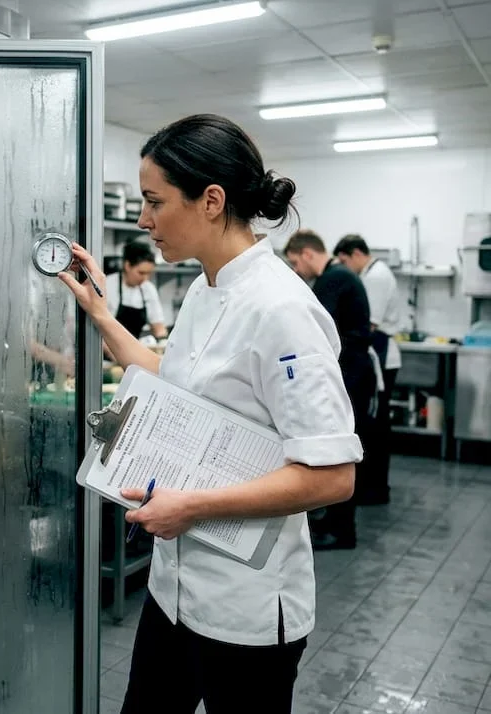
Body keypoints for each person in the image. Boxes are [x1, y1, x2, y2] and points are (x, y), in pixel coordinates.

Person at [58, 114, 361, 714]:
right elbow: (169, 380)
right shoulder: (203, 288)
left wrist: (190, 506)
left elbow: (332, 475)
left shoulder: (281, 309)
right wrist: (100, 313)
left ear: (211, 201)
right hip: (173, 592)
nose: (143, 220)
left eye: (154, 201)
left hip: (247, 609)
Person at [283, 230, 377, 550]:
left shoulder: (332, 280)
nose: (296, 271)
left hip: (351, 371)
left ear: (308, 254)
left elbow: (311, 328)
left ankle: (341, 531)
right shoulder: (341, 275)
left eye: (295, 263)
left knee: (337, 452)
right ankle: (336, 524)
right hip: (354, 368)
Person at [333, 234, 401, 505]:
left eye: (345, 260)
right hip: (378, 353)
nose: (345, 266)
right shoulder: (373, 273)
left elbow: (368, 324)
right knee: (374, 425)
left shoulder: (376, 277)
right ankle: (373, 487)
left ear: (357, 254)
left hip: (381, 355)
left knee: (374, 426)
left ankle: (374, 489)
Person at [105, 241, 168, 340]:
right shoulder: (107, 285)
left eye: (148, 274)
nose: (145, 278)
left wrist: (163, 343)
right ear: (127, 266)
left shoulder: (148, 289)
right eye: (141, 273)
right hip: (107, 349)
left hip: (133, 350)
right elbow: (101, 330)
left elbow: (158, 327)